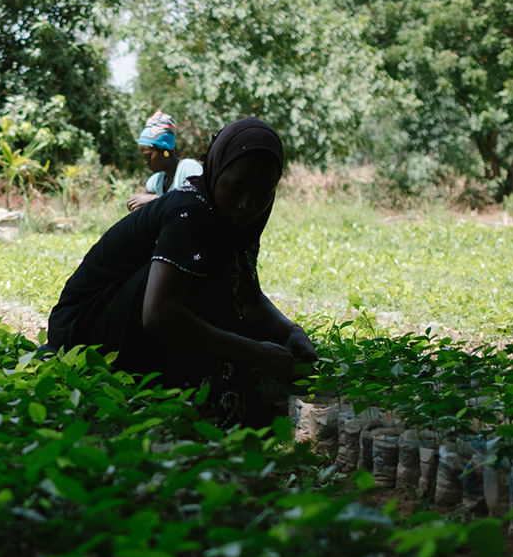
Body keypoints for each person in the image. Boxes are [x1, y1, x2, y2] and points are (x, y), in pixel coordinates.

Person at [45, 117, 316, 427]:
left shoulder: (241, 216)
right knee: (199, 280)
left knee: (222, 292)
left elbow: (247, 295)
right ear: (216, 172)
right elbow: (158, 314)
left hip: (130, 311)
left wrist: (289, 331)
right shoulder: (189, 211)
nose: (246, 206)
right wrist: (255, 353)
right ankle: (165, 383)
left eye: (262, 194)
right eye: (236, 190)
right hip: (84, 327)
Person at [126, 110, 204, 213]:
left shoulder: (189, 168)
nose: (146, 162)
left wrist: (155, 199)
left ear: (165, 151)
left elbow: (200, 201)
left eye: (148, 156)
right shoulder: (156, 181)